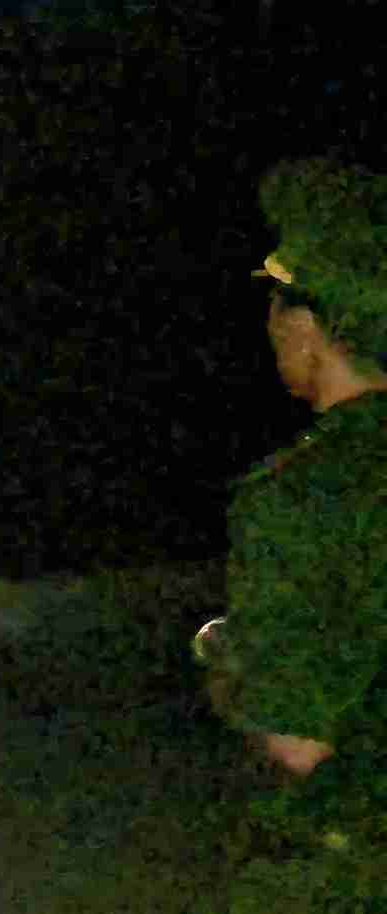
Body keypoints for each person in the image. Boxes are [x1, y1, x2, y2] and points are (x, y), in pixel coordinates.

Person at [197, 157, 387, 913]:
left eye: (276, 306)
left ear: (306, 328)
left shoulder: (305, 495)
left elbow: (294, 741)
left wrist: (223, 659)